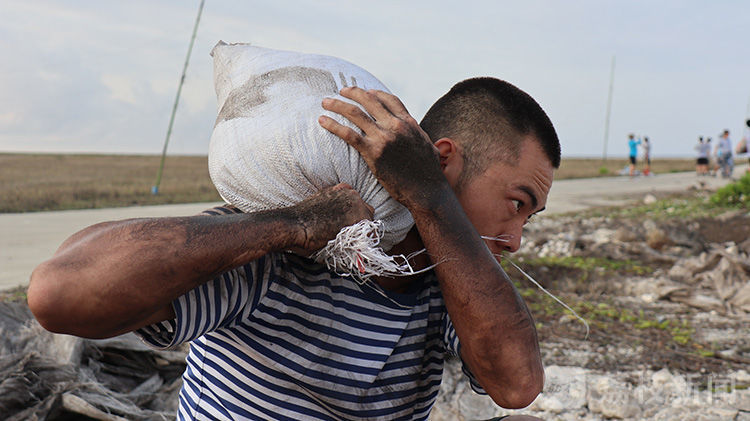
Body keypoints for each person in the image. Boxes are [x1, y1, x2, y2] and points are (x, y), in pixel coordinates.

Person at [28, 77, 560, 421]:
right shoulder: (279, 251)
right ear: (444, 159)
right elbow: (57, 293)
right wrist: (296, 222)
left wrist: (429, 198)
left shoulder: (456, 287)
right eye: (517, 203)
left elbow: (516, 384)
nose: (514, 239)